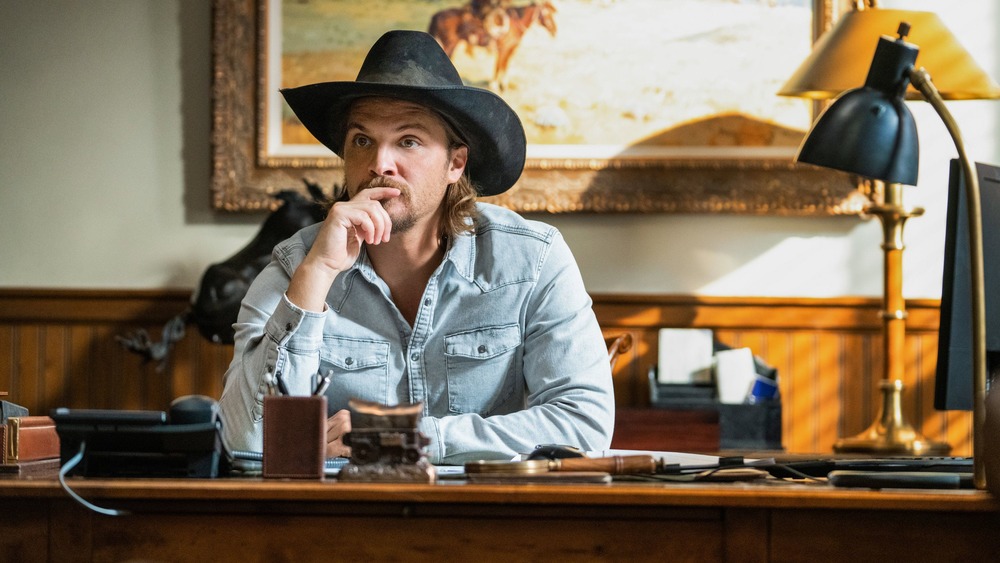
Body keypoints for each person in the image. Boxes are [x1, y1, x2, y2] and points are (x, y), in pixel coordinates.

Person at [218, 30, 614, 465]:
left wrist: (398, 437)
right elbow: (245, 440)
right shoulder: (299, 266)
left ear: (455, 162)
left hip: (489, 521)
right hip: (346, 524)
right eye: (362, 140)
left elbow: (585, 424)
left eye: (408, 141)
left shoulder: (532, 260)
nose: (379, 164)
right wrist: (316, 276)